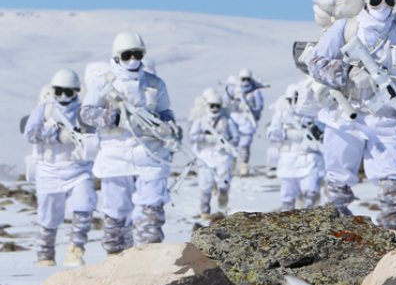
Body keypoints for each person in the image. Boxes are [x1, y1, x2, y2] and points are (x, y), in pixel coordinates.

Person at [307, 0, 396, 235]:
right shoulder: (345, 29)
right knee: (337, 178)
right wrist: (347, 73)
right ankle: (337, 233)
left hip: (386, 117)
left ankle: (392, 235)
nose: (381, 5)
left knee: (392, 179)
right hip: (345, 113)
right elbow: (315, 63)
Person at [80, 32, 178, 254]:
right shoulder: (104, 83)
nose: (133, 60)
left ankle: (148, 256)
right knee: (116, 212)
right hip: (115, 154)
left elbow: (166, 111)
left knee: (152, 209)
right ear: (117, 57)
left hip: (150, 153)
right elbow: (85, 113)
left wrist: (168, 126)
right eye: (127, 55)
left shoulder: (154, 84)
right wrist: (112, 118)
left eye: (137, 54)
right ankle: (116, 258)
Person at [23, 69, 96, 266]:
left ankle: (76, 250)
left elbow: (95, 136)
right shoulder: (44, 110)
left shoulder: (83, 112)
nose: (63, 96)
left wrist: (82, 137)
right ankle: (45, 255)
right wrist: (54, 134)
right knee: (48, 217)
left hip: (77, 169)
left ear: (76, 92)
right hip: (49, 170)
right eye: (59, 91)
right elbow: (30, 133)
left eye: (68, 92)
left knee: (84, 207)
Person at [267, 83, 325, 210]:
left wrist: (315, 131)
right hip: (287, 161)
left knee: (310, 197)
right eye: (289, 100)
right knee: (287, 199)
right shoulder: (282, 115)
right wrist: (285, 134)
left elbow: (323, 134)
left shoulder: (314, 113)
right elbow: (272, 134)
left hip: (309, 160)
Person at [188, 87, 239, 219]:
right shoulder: (201, 121)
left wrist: (227, 144)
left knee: (224, 184)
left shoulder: (227, 120)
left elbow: (236, 137)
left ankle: (222, 209)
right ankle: (204, 211)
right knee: (205, 185)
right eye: (212, 106)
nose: (215, 109)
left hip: (222, 157)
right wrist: (205, 138)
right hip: (205, 156)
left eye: (217, 106)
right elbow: (192, 136)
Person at [225, 68, 265, 176]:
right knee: (232, 144)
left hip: (247, 120)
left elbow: (259, 106)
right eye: (243, 79)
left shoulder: (255, 92)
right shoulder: (235, 90)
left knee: (244, 145)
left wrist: (251, 109)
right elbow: (226, 101)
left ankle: (244, 166)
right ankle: (231, 167)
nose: (245, 82)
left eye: (247, 79)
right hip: (235, 119)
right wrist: (235, 104)